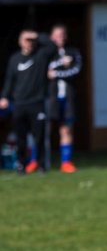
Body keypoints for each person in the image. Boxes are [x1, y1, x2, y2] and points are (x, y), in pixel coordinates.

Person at [0, 29, 58, 174]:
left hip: (37, 102)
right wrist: (4, 96)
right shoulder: (14, 59)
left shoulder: (40, 55)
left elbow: (52, 46)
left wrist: (36, 35)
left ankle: (41, 165)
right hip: (19, 103)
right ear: (20, 42)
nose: (29, 43)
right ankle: (21, 164)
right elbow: (9, 80)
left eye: (31, 41)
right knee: (20, 138)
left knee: (39, 137)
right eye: (26, 40)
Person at [46, 24, 82, 173]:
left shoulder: (73, 52)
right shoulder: (46, 54)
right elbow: (44, 72)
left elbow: (76, 70)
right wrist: (61, 65)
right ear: (51, 37)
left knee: (66, 130)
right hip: (51, 98)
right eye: (56, 35)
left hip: (67, 98)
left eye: (62, 35)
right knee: (44, 130)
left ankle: (66, 162)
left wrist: (57, 72)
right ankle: (37, 160)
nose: (59, 38)